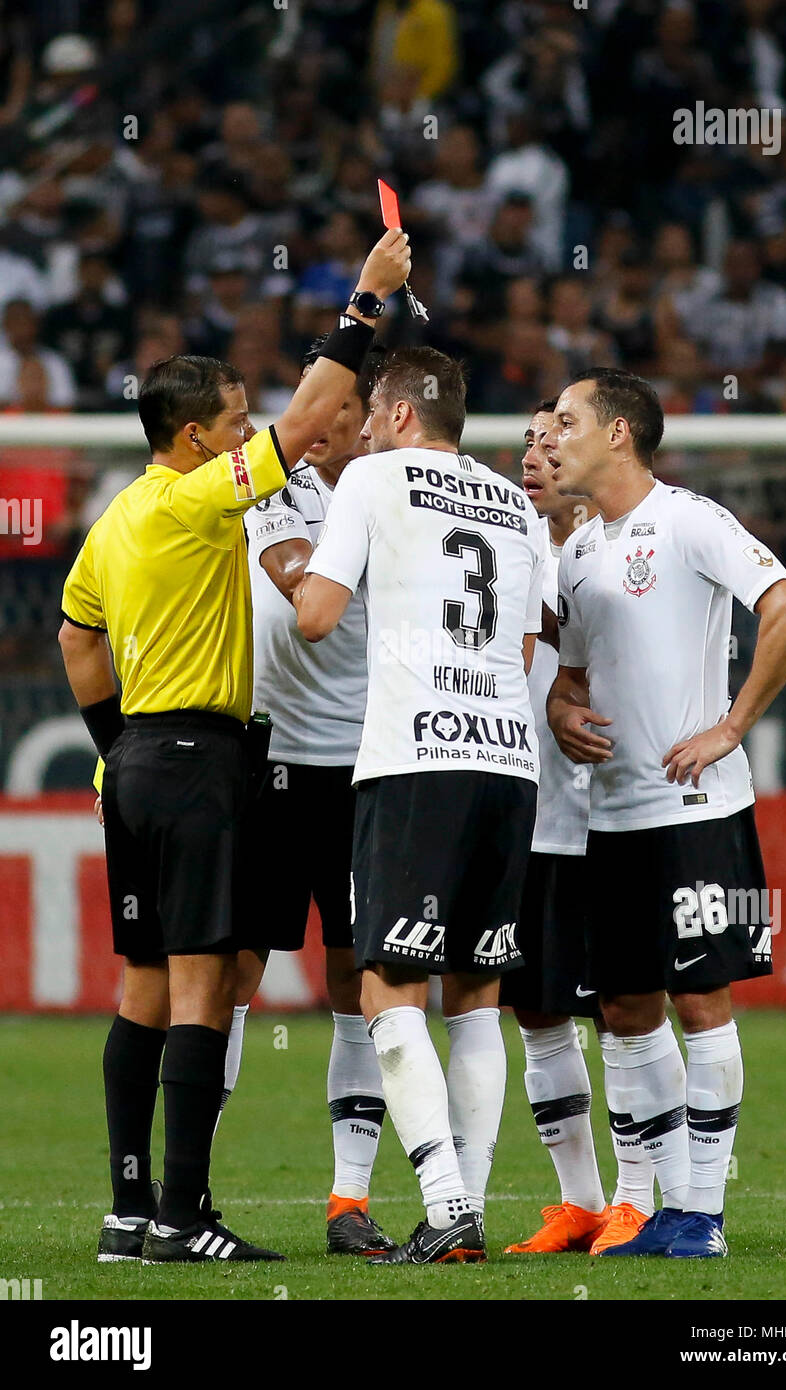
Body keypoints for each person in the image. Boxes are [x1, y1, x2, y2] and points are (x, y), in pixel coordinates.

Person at [57, 228, 411, 1265]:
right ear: (200, 440)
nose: (253, 434)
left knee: (142, 991)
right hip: (207, 761)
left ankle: (129, 1213)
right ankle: (184, 1216)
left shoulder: (118, 516)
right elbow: (307, 423)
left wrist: (113, 745)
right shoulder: (196, 499)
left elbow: (77, 636)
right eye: (236, 423)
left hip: (132, 768)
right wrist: (363, 303)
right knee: (206, 990)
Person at [546, 368, 786, 1258]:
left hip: (694, 809)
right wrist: (559, 707)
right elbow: (574, 672)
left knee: (700, 997)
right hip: (610, 814)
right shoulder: (579, 550)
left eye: (568, 418)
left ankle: (702, 1214)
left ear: (619, 432)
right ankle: (662, 1209)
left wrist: (728, 726)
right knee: (624, 1010)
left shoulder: (690, 519)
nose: (552, 432)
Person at [295, 347, 545, 1265]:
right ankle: (466, 1207)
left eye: (370, 413)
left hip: (414, 760)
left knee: (385, 986)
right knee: (476, 997)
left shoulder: (369, 478)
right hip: (508, 761)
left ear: (400, 416)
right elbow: (520, 652)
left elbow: (317, 615)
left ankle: (444, 1205)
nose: (357, 428)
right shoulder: (516, 503)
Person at [226, 337, 396, 1257]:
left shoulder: (398, 492)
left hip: (365, 767)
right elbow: (299, 591)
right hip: (270, 762)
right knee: (230, 974)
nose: (323, 416)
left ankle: (349, 1201)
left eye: (338, 402)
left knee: (358, 980)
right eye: (312, 398)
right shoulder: (271, 487)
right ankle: (189, 1197)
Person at [501, 402, 654, 1258]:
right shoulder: (499, 549)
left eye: (553, 433)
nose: (537, 450)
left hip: (608, 819)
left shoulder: (615, 556)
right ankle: (580, 1203)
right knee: (539, 1014)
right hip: (529, 822)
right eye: (526, 439)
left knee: (628, 1010)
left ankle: (643, 1197)